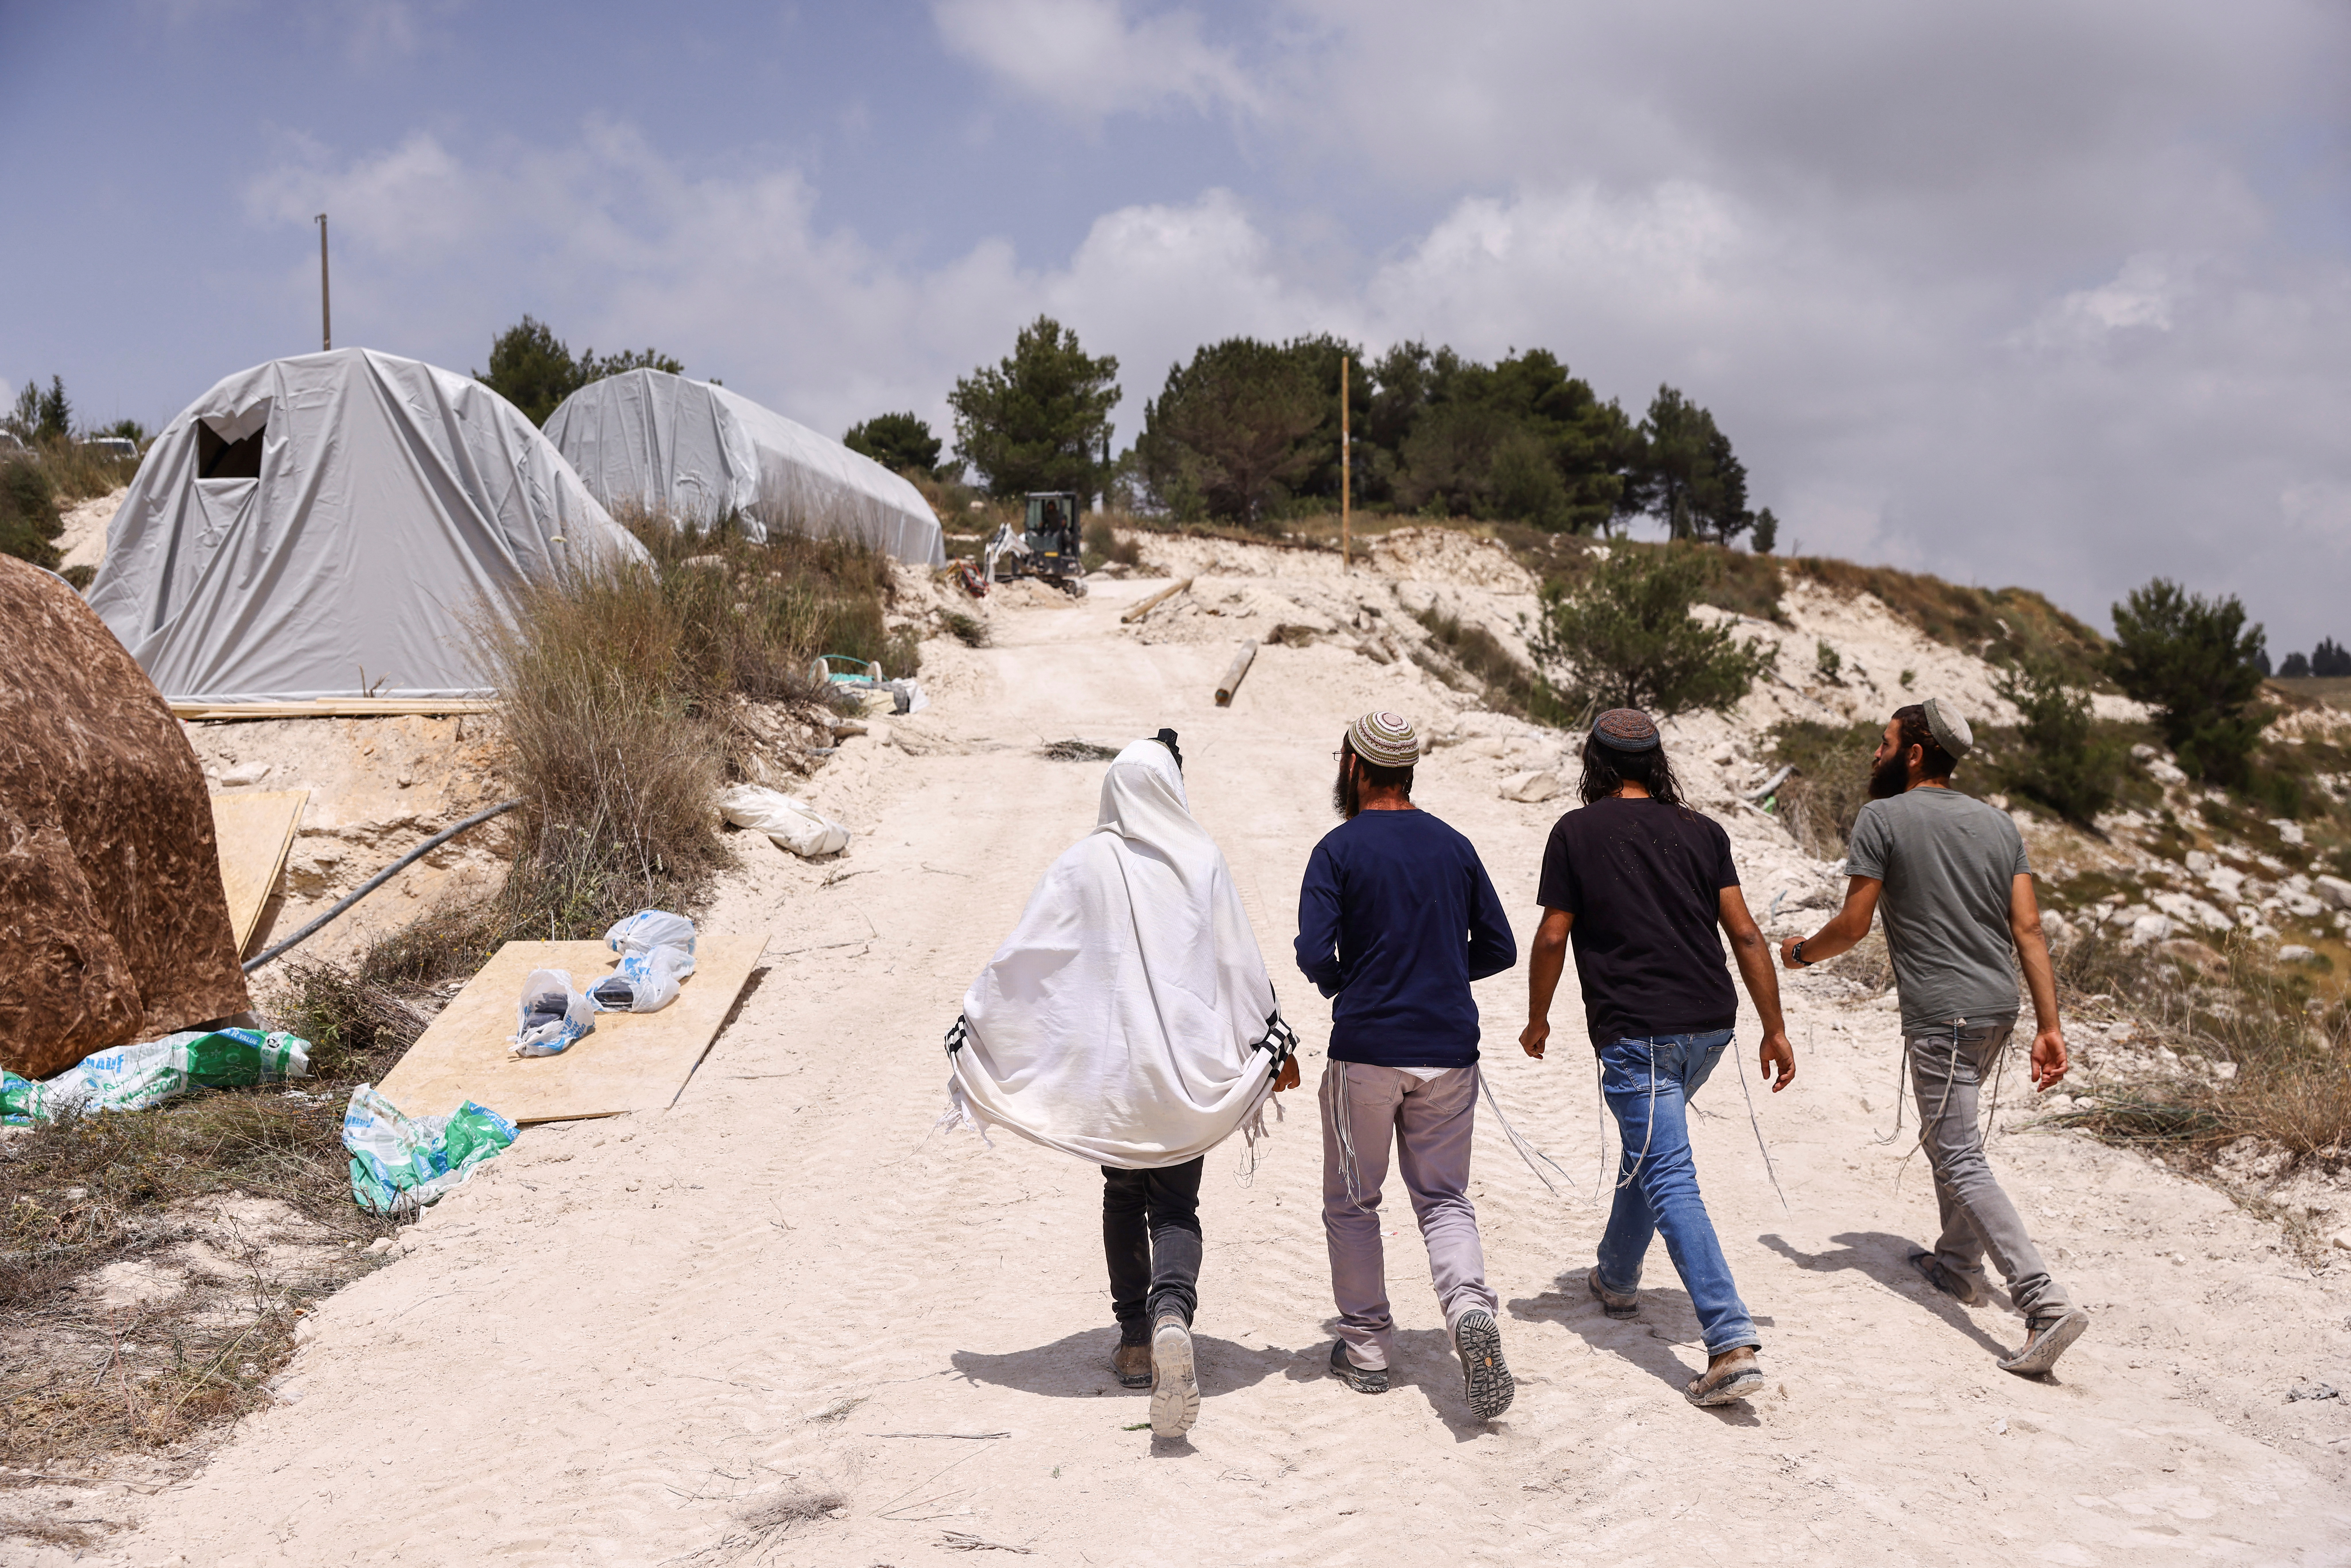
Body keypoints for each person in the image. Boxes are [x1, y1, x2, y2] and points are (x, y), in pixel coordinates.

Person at [942, 729, 1301, 1438]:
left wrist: (978, 1024)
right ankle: (1173, 1313)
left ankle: (1137, 1340)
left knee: (1120, 1194)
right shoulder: (1201, 861)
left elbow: (1030, 956)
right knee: (1175, 1206)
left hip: (1113, 1079)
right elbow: (1238, 963)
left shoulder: (1082, 863)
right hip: (1182, 1075)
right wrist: (1272, 1040)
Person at [1778, 699, 2090, 1377]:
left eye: (1883, 741)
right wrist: (2050, 1024)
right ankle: (1955, 1263)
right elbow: (2029, 930)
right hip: (1997, 1007)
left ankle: (2042, 1301)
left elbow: (1854, 924)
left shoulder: (1882, 818)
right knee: (1955, 1140)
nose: (1875, 753)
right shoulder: (1998, 823)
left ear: (1914, 752)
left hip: (1942, 1012)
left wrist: (1800, 952)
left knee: (1955, 1153)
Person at [1519, 708, 1797, 1408]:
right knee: (1652, 1150)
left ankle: (1729, 1340)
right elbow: (1746, 934)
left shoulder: (1575, 832)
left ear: (1596, 763)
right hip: (1710, 1024)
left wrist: (1538, 1016)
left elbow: (1553, 936)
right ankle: (1615, 1275)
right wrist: (1775, 1027)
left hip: (1636, 1029)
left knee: (1669, 1171)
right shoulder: (1704, 831)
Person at [1296, 710, 1520, 1420]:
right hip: (1450, 1051)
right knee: (1444, 1199)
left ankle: (1365, 1347)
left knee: (1354, 1199)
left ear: (1357, 768)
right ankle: (1466, 1313)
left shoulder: (1338, 848)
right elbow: (1500, 946)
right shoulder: (1454, 845)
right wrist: (1443, 970)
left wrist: (1343, 983)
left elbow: (1311, 950)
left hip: (1365, 1051)